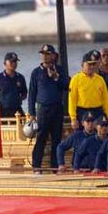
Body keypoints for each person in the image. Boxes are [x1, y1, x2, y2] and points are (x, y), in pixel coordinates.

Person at [29, 44, 69, 172]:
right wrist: (31, 113)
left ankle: (55, 167)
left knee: (56, 139)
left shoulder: (60, 70)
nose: (44, 57)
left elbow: (67, 86)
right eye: (43, 54)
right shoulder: (36, 72)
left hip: (57, 108)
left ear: (53, 55)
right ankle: (36, 166)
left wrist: (55, 77)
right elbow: (32, 93)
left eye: (47, 54)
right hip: (43, 109)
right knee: (41, 138)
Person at [68, 52, 108, 130]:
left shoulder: (100, 79)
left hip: (97, 111)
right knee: (82, 136)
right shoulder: (76, 79)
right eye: (89, 64)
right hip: (82, 112)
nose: (91, 67)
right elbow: (72, 100)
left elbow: (105, 99)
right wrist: (73, 118)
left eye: (93, 64)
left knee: (101, 135)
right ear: (82, 65)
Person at [0, 52, 27, 117]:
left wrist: (18, 99)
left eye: (15, 61)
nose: (14, 63)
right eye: (11, 61)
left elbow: (25, 93)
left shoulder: (20, 77)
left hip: (17, 110)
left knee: (26, 125)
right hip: (2, 111)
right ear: (5, 63)